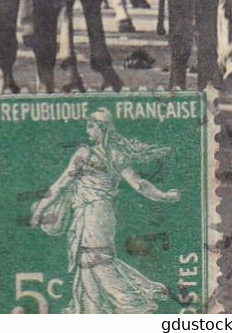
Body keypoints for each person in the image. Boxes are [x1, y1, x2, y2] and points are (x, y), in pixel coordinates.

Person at [30, 108, 180, 313]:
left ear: (102, 128)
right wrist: (164, 196)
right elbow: (140, 184)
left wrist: (39, 209)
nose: (87, 131)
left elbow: (61, 184)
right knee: (91, 264)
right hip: (102, 215)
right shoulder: (117, 156)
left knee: (96, 263)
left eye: (91, 126)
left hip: (92, 216)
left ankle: (132, 303)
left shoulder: (84, 154)